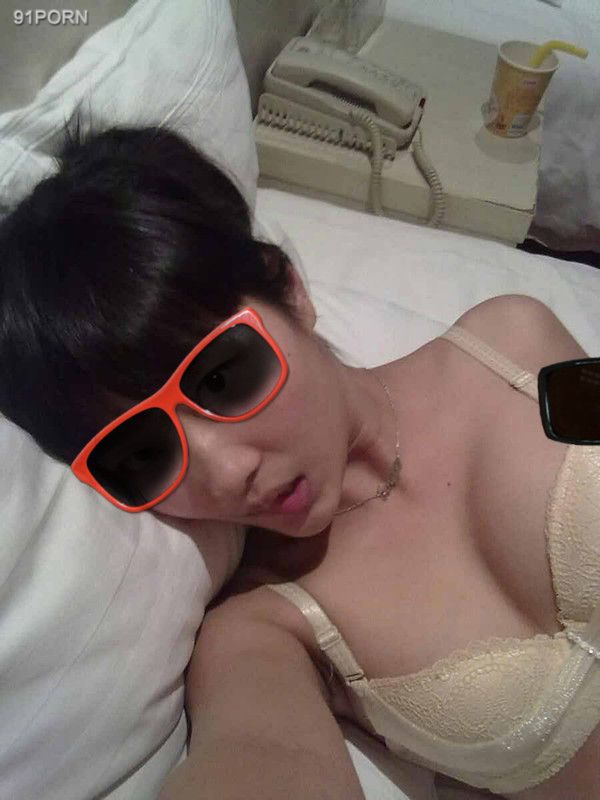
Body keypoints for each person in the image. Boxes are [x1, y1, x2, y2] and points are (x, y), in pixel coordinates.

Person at [1, 126, 600, 800]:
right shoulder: (260, 627)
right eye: (143, 453)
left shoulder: (510, 344)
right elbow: (260, 755)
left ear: (291, 294)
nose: (224, 474)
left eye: (221, 377)